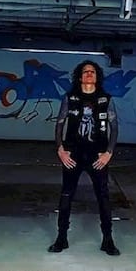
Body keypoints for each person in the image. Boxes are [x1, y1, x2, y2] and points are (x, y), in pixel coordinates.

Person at [48, 60, 120, 256]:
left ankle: (108, 240)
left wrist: (108, 152)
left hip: (98, 155)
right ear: (79, 77)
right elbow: (59, 124)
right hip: (73, 154)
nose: (89, 74)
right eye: (86, 71)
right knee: (66, 195)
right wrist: (61, 150)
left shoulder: (106, 99)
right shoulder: (70, 98)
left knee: (103, 197)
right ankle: (61, 238)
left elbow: (114, 128)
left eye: (93, 72)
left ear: (97, 77)